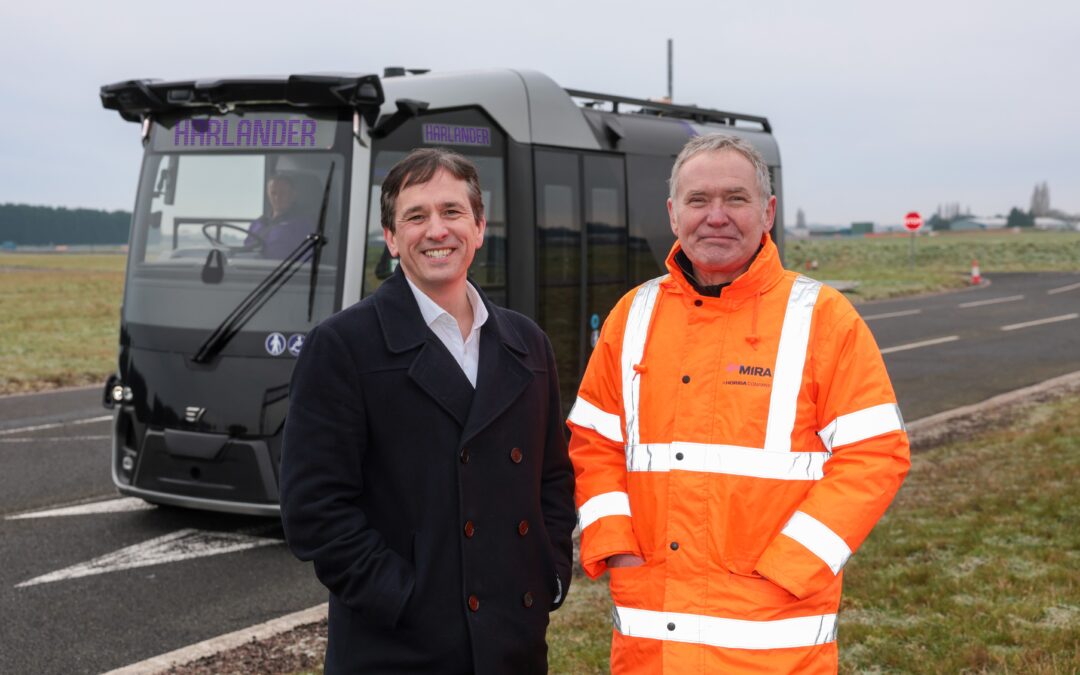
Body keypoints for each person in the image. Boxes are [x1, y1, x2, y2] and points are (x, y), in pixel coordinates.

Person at [567, 134, 910, 673]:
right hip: (650, 645)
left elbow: (875, 455)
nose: (716, 216)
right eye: (698, 200)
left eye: (736, 198)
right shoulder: (632, 316)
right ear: (674, 214)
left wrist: (793, 566)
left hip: (775, 646)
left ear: (768, 211)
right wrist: (616, 542)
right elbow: (594, 444)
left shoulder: (824, 318)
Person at [280, 148, 576, 674]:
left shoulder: (527, 343)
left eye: (452, 212)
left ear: (480, 227)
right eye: (416, 216)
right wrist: (401, 598)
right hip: (397, 650)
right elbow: (314, 511)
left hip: (514, 643)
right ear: (392, 239)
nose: (436, 230)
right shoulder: (343, 345)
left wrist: (549, 573)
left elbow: (553, 476)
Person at [245, 174, 314, 258]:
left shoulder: (302, 225)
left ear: (293, 195)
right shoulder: (257, 223)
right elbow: (245, 250)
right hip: (252, 269)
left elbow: (306, 259)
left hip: (282, 270)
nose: (277, 197)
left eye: (283, 193)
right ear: (268, 195)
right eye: (273, 193)